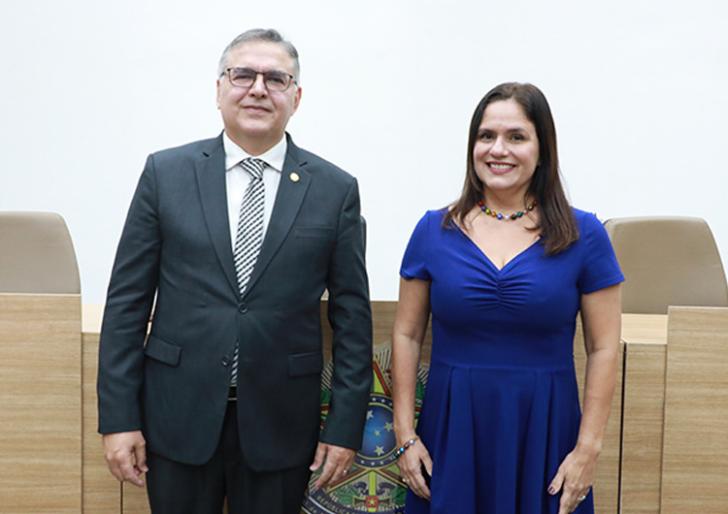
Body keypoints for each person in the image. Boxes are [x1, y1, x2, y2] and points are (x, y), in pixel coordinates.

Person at [97, 28, 372, 514]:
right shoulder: (166, 174)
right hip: (176, 415)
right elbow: (126, 304)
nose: (259, 88)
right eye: (243, 74)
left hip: (282, 424)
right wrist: (118, 418)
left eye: (276, 78)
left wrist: (344, 427)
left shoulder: (334, 190)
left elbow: (352, 321)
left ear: (297, 96)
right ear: (220, 89)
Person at [391, 82, 623, 514]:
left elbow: (604, 347)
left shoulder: (584, 234)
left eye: (516, 137)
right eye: (486, 136)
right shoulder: (432, 230)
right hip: (452, 431)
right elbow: (405, 334)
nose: (499, 149)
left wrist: (588, 449)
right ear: (472, 146)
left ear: (542, 149)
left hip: (546, 432)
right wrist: (405, 433)